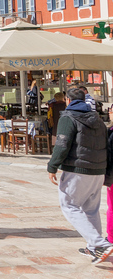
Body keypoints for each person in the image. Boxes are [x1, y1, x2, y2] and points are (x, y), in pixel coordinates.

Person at [47, 87, 112, 263]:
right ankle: (93, 249)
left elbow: (62, 143)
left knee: (69, 206)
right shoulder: (97, 119)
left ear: (68, 100)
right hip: (97, 171)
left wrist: (52, 166)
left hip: (77, 170)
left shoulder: (68, 117)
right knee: (91, 209)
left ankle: (99, 243)